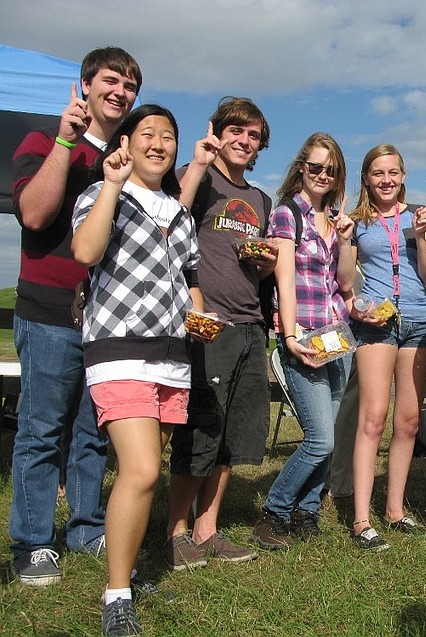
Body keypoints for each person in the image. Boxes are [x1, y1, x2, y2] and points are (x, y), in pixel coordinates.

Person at [9, 46, 141, 587]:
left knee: (92, 431)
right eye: (111, 80)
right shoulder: (44, 141)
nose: (121, 91)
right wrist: (68, 140)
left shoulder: (127, 157)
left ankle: (86, 528)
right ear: (85, 85)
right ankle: (33, 542)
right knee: (42, 430)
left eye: (131, 85)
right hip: (47, 312)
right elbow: (35, 214)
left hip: (106, 317)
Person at [71, 104, 203, 636]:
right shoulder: (105, 193)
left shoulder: (178, 212)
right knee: (143, 469)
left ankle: (122, 564)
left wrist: (198, 310)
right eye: (147, 133)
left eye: (168, 136)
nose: (158, 143)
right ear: (126, 143)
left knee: (142, 473)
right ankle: (116, 594)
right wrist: (110, 185)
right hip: (118, 349)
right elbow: (85, 250)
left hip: (173, 356)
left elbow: (189, 278)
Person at [165, 97, 274, 570]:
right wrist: (199, 164)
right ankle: (174, 532)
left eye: (253, 137)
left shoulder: (261, 200)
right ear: (218, 131)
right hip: (208, 326)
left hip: (250, 324)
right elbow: (166, 221)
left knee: (233, 435)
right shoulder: (195, 175)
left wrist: (265, 264)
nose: (243, 141)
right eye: (236, 131)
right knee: (200, 431)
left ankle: (207, 529)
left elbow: (259, 267)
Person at [251, 133, 355, 548]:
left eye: (331, 170)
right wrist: (289, 336)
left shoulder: (333, 218)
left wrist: (345, 239)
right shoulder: (286, 215)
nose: (322, 175)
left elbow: (344, 281)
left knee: (327, 435)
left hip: (338, 336)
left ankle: (307, 511)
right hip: (306, 334)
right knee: (320, 437)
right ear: (301, 168)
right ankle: (275, 511)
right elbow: (285, 280)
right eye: (315, 167)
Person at [347, 145, 426, 551]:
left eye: (393, 173)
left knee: (409, 422)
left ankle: (395, 511)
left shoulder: (418, 216)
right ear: (366, 178)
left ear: (403, 176)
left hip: (418, 320)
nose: (386, 180)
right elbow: (345, 279)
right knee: (373, 418)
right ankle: (361, 519)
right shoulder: (356, 222)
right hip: (376, 321)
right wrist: (347, 243)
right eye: (377, 173)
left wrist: (423, 236)